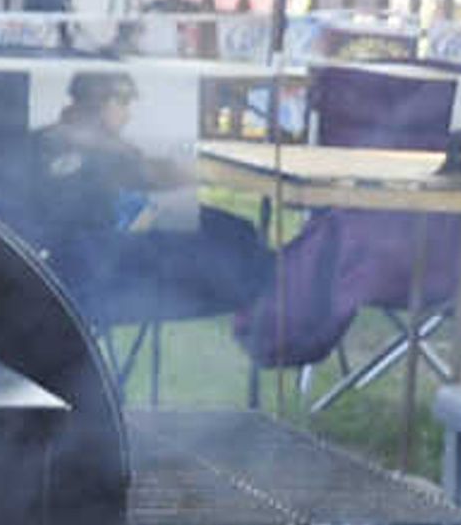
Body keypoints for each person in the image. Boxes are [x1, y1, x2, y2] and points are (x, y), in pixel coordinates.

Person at [23, 71, 274, 332]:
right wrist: (209, 171)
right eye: (123, 103)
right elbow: (149, 176)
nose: (127, 114)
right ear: (100, 102)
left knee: (231, 232)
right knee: (237, 236)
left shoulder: (42, 138)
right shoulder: (99, 144)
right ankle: (269, 295)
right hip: (99, 266)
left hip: (64, 263)